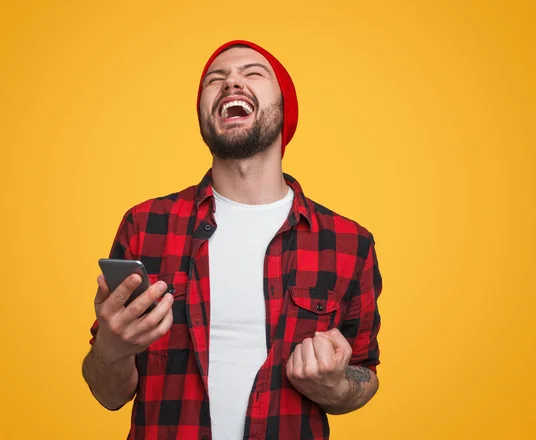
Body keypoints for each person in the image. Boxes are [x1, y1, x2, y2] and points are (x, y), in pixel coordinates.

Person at [82, 40, 383, 440]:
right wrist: (111, 350)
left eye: (253, 73)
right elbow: (108, 393)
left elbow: (365, 373)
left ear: (284, 109)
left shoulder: (348, 243)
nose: (231, 83)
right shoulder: (145, 225)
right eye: (215, 79)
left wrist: (337, 384)